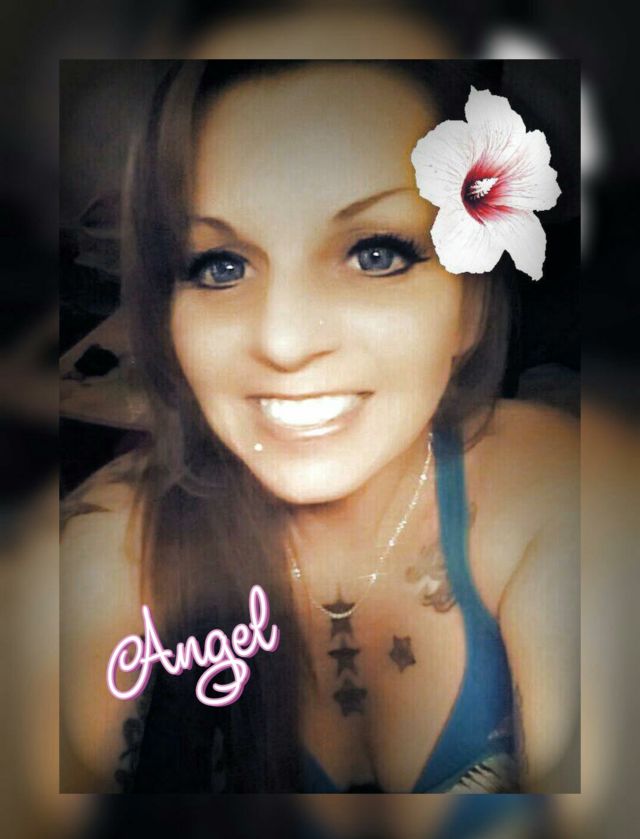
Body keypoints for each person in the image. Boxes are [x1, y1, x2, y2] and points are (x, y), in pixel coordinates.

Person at [60, 60, 579, 794]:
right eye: (220, 266)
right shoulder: (113, 544)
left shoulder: (552, 486)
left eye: (376, 254)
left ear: (471, 303)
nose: (285, 341)